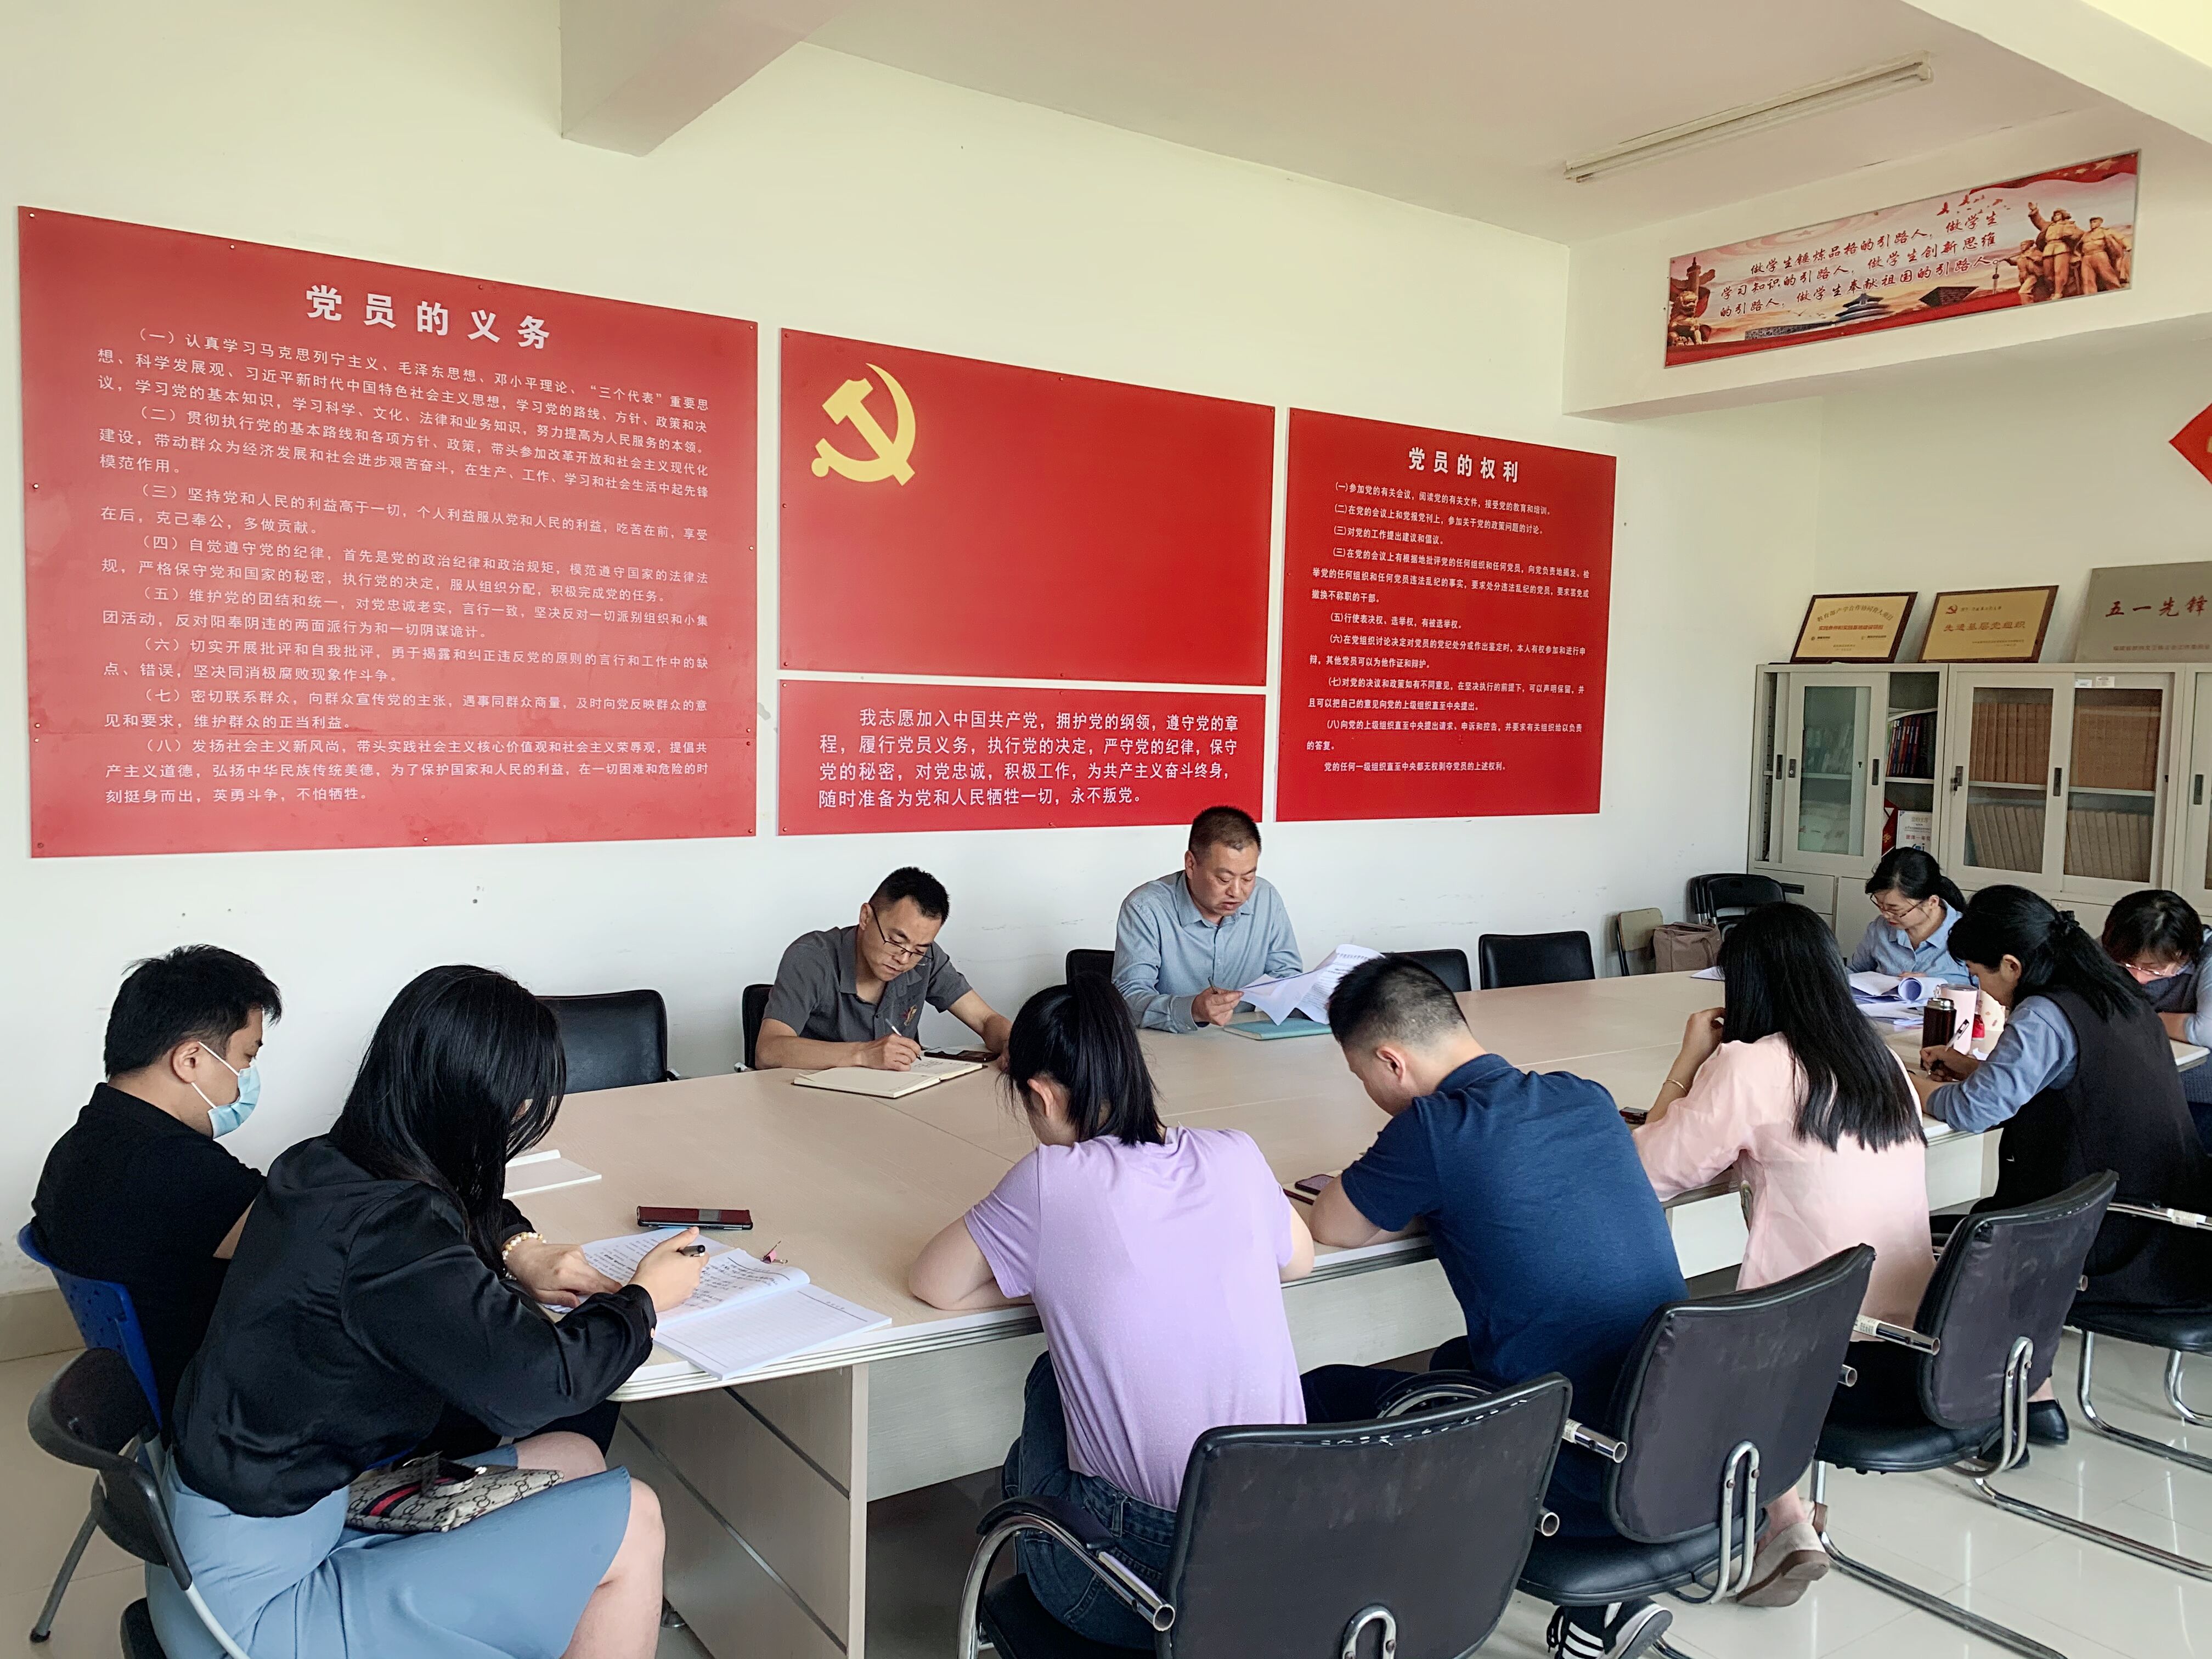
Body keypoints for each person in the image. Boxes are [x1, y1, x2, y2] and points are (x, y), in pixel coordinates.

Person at [156, 965, 708, 1659]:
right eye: (520, 1100)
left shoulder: (324, 1164)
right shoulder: (393, 1230)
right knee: (634, 1522)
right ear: (477, 1104)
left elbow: (459, 1208)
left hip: (239, 1536)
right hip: (255, 1614)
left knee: (573, 1456)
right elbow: (540, 1383)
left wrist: (517, 1249)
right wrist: (644, 1299)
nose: (523, 1114)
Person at [1300, 956, 1687, 1659]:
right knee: (1451, 1361)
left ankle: (1370, 1603)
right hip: (1665, 1437)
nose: (1370, 1092)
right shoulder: (1585, 1096)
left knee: (1318, 1389)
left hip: (1567, 1453)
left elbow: (1333, 1224)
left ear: (1391, 1061)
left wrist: (1416, 1190)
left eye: (1362, 1077)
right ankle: (1601, 1606)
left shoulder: (1435, 1129)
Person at [909, 977, 1312, 1648]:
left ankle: (1029, 1513)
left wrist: (1053, 1278)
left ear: (1040, 1095)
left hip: (1136, 1583)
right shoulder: (1236, 1153)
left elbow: (935, 1283)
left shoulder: (1052, 1179)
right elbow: (1297, 1261)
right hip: (1289, 1549)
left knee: (1051, 1379)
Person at [1634, 903, 1933, 1607]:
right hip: (1908, 1321)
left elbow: (1646, 1172)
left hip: (1818, 1336)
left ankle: (1785, 1517)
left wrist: (1689, 1061)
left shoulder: (1751, 1065)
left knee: (1682, 1341)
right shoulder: (1881, 1062)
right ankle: (1789, 1508)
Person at [1911, 885, 2211, 1444]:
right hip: (2167, 1221)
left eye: (1978, 976)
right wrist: (1967, 1067)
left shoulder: (2045, 1014)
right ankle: (2034, 1400)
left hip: (2119, 1236)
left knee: (1978, 1242)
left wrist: (1914, 1086)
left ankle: (1996, 1411)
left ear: (2012, 965)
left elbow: (1976, 1111)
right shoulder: (2115, 994)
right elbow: (2054, 1078)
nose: (1983, 989)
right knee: (1997, 1226)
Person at [31, 946, 282, 1422]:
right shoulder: (176, 1167)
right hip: (216, 1405)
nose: (246, 1079)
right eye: (246, 1057)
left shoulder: (80, 1143)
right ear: (190, 1059)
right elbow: (312, 1236)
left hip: (140, 1382)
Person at [755, 867, 1011, 1071]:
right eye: (896, 941)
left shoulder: (927, 959)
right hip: (812, 1103)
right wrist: (863, 1054)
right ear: (866, 917)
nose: (904, 959)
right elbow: (768, 1051)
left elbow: (986, 1020)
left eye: (919, 949)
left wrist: (1013, 1045)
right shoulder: (813, 958)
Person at [1111, 805, 1302, 1031]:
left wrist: (1314, 1000)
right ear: (1191, 865)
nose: (1237, 892)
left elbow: (1287, 979)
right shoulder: (1146, 908)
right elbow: (1128, 998)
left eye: (1248, 878)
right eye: (1224, 879)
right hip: (1168, 1042)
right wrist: (1192, 1010)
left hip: (1245, 1040)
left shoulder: (1265, 898)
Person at [2102, 888, 2212, 1138]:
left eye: (2152, 969)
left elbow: (2206, 1030)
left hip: (2198, 1094)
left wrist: (2146, 1018)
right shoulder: (2119, 947)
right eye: (2128, 965)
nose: (2137, 977)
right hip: (2136, 1084)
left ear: (2183, 954)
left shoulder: (2208, 958)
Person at [1847, 847, 1971, 987]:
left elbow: (1986, 993)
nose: (1886, 915)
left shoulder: (1969, 934)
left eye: (1895, 909)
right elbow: (1853, 973)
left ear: (1932, 902)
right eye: (1880, 904)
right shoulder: (1880, 929)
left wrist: (1935, 985)